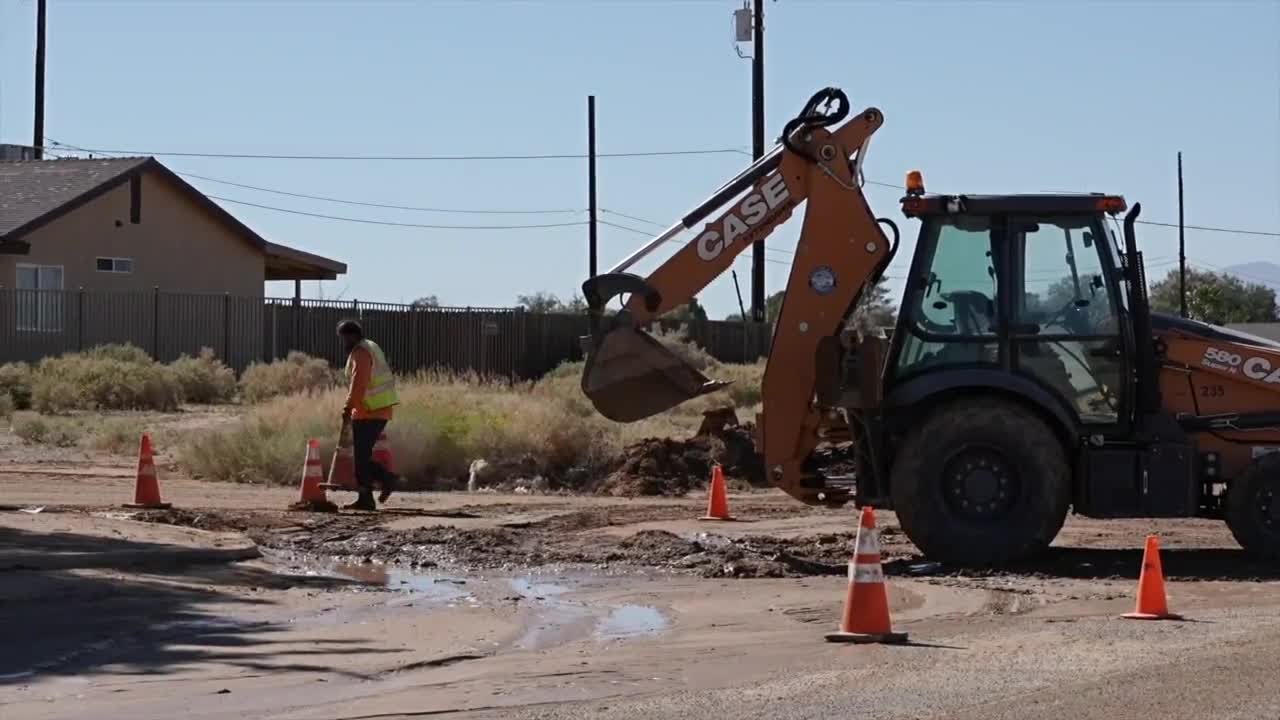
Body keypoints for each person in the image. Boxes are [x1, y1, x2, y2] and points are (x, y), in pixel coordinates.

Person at [337, 319, 401, 511]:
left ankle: (382, 483)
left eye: (344, 338)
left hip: (370, 411)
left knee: (361, 459)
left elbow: (359, 383)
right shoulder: (370, 346)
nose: (343, 342)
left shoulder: (361, 353)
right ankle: (368, 494)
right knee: (361, 457)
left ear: (352, 336)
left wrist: (347, 408)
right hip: (375, 409)